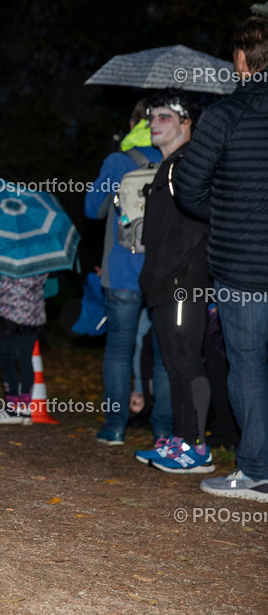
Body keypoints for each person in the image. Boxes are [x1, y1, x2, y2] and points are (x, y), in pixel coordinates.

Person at [174, 16, 268, 502]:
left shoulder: (224, 115)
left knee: (248, 364)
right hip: (244, 262)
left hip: (243, 266)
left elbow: (188, 189)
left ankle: (257, 471)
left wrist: (231, 211)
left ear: (241, 60)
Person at [132, 92, 214, 473]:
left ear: (187, 125)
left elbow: (195, 226)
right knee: (172, 361)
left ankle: (196, 447)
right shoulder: (167, 167)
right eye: (152, 117)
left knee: (186, 360)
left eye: (165, 116)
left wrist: (164, 267)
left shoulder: (188, 165)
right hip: (164, 281)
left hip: (183, 281)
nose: (154, 122)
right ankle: (181, 439)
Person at [84, 101, 172, 445]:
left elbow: (92, 209)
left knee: (119, 350)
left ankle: (115, 427)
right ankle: (163, 431)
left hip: (121, 271)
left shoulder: (118, 161)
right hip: (165, 272)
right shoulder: (178, 158)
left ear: (134, 123)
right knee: (165, 354)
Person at [0, 272, 50, 425]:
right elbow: (52, 288)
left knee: (7, 359)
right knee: (25, 359)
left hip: (9, 314)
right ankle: (25, 407)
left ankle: (12, 408)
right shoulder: (42, 262)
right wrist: (30, 296)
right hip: (33, 315)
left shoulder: (6, 260)